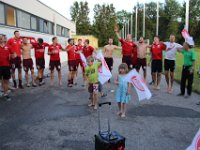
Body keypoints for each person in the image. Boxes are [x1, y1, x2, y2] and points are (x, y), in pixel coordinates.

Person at [0, 35, 12, 101]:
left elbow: (13, 54)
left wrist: (13, 56)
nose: (0, 39)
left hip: (6, 66)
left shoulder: (8, 46)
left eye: (1, 38)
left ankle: (6, 94)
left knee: (6, 81)